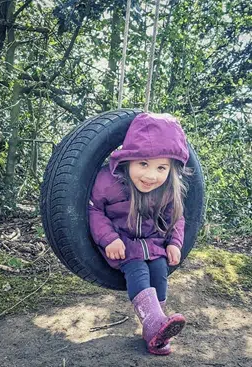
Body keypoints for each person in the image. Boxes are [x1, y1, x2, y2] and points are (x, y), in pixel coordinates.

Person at [88, 112, 191, 355]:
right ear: (129, 160)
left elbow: (176, 218)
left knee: (159, 270)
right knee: (138, 270)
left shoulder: (166, 189)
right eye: (143, 164)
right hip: (122, 245)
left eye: (161, 168)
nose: (150, 175)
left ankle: (155, 329)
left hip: (153, 244)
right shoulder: (108, 180)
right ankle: (155, 324)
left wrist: (175, 243)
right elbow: (93, 211)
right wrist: (109, 238)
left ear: (170, 169)